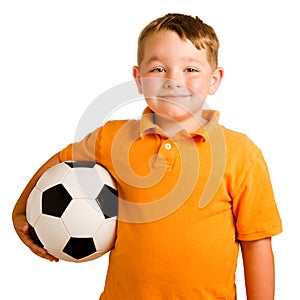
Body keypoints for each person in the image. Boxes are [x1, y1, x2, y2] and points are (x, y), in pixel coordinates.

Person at [12, 13, 282, 299]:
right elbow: (58, 162)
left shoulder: (241, 154)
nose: (173, 81)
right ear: (138, 79)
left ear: (214, 80)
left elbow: (256, 243)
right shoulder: (113, 138)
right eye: (158, 69)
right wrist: (19, 211)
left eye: (190, 69)